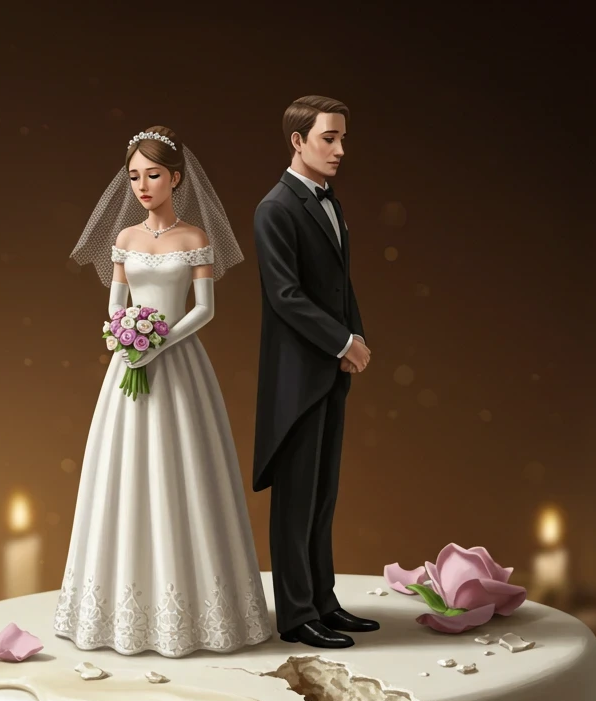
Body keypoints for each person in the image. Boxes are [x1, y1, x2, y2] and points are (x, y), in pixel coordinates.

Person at [55, 127, 271, 657]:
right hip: (129, 362)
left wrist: (158, 342)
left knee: (186, 468)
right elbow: (115, 303)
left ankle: (202, 611)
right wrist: (124, 336)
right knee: (122, 468)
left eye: (153, 174)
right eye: (134, 176)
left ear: (176, 177)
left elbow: (205, 309)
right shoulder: (126, 238)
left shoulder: (195, 238)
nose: (142, 186)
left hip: (179, 366)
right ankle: (117, 612)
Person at [254, 95, 378, 648]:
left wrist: (357, 337)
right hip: (297, 378)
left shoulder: (329, 202)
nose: (340, 149)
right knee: (296, 500)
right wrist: (342, 341)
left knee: (324, 496)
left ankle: (323, 601)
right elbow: (285, 295)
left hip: (329, 372)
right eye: (329, 138)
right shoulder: (275, 208)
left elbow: (339, 284)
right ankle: (296, 614)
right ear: (297, 141)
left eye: (343, 138)